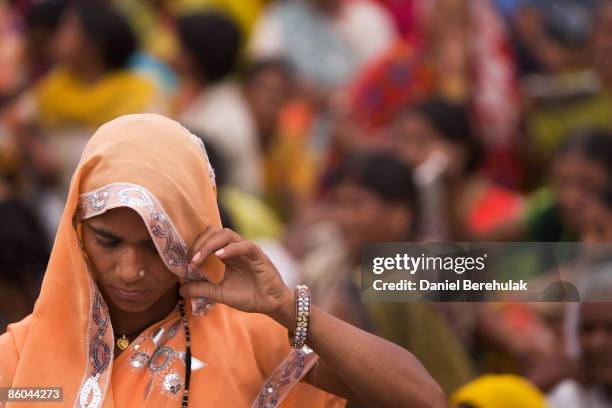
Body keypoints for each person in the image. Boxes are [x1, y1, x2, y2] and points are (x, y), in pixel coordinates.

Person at [0, 114, 444, 408]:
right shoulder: (21, 355)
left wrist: (289, 308)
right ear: (75, 230)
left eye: (157, 246)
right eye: (108, 241)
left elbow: (424, 399)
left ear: (195, 235)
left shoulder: (250, 335)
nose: (130, 270)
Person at [175, 12, 263, 194]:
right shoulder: (206, 99)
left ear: (194, 58)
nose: (174, 54)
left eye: (181, 48)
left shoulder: (221, 122)